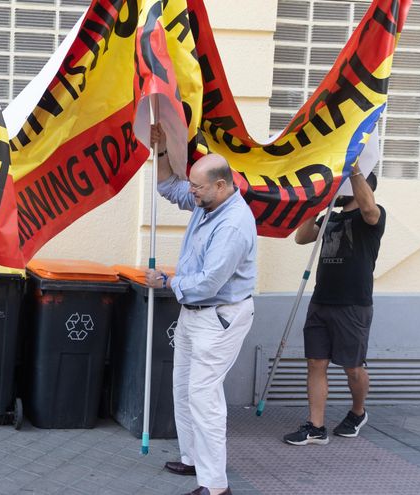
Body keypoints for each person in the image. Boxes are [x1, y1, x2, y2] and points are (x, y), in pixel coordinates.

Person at [145, 124, 256, 495]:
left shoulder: (233, 226)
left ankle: (216, 485)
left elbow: (209, 283)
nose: (190, 191)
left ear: (220, 186)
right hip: (195, 312)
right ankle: (193, 458)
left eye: (197, 186)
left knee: (204, 396)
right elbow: (167, 187)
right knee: (183, 388)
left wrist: (167, 282)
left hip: (219, 316)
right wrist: (161, 149)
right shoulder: (208, 201)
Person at [283, 166, 385, 446]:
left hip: (352, 304)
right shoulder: (331, 217)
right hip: (321, 301)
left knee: (353, 367)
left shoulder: (373, 216)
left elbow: (369, 210)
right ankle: (316, 427)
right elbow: (302, 236)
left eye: (343, 184)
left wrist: (355, 171)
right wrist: (316, 204)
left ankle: (358, 412)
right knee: (316, 362)